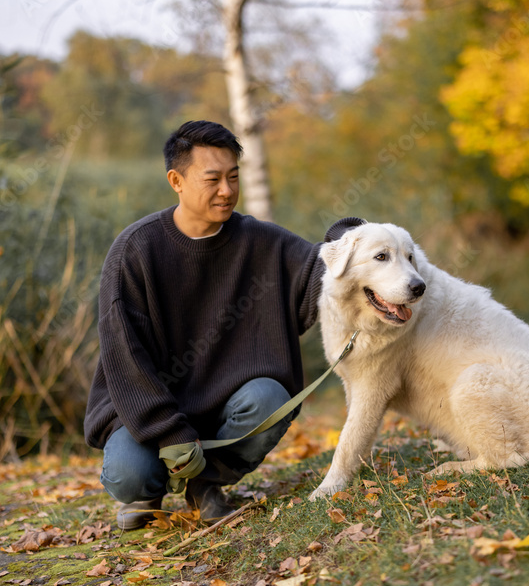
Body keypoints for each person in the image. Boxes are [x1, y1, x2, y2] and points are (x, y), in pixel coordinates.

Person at [84, 120, 362, 529]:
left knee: (269, 396)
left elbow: (322, 273)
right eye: (212, 179)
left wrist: (355, 239)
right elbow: (125, 358)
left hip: (226, 406)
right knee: (130, 474)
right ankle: (146, 494)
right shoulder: (136, 250)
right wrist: (171, 433)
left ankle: (206, 486)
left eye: (234, 177)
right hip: (145, 410)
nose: (227, 190)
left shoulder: (261, 241)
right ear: (176, 180)